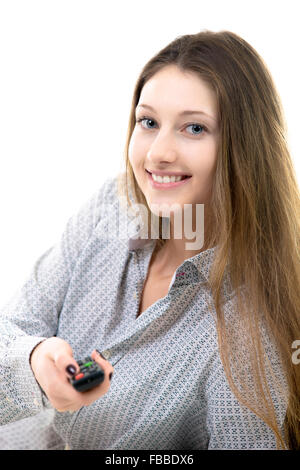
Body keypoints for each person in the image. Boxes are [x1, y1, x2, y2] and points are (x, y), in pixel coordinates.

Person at [0, 29, 299, 450]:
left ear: (243, 149)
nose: (158, 152)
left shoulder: (250, 331)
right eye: (149, 122)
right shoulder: (112, 208)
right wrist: (31, 362)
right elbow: (8, 330)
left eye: (194, 128)